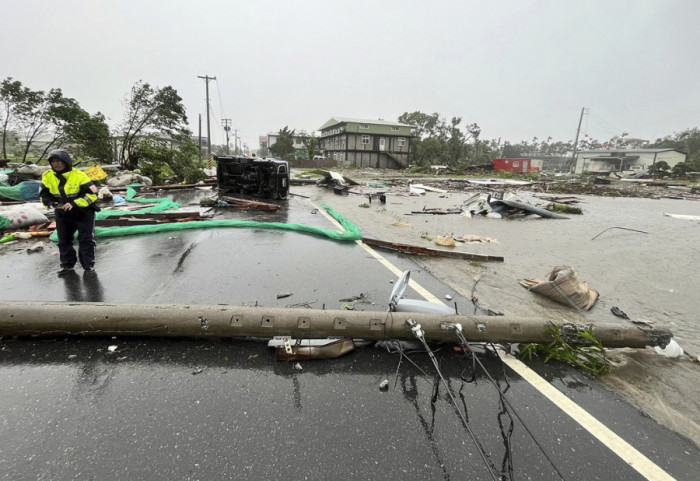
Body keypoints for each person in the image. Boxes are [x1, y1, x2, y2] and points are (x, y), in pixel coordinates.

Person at [40, 149, 100, 274]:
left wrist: (74, 203)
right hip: (62, 212)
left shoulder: (79, 175)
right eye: (53, 161)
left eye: (59, 161)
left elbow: (93, 194)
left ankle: (88, 266)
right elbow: (44, 195)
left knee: (85, 240)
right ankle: (67, 266)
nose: (56, 164)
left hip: (83, 212)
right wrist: (52, 203)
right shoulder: (47, 176)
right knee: (64, 240)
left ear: (66, 161)